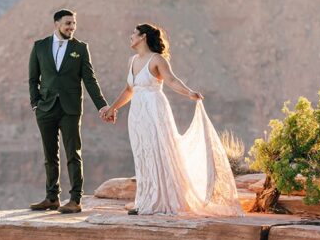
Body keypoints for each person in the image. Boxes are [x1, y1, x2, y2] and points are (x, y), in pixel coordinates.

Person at [103, 23, 243, 216]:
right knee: (143, 153)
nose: (130, 37)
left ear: (143, 37)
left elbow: (171, 80)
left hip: (155, 110)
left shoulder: (157, 59)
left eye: (133, 34)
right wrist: (112, 108)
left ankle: (162, 200)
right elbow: (129, 90)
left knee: (159, 150)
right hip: (137, 114)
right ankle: (144, 200)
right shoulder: (132, 60)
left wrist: (190, 93)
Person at [27, 9, 112, 213]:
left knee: (73, 153)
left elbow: (89, 79)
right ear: (56, 23)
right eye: (68, 23)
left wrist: (102, 105)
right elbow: (33, 78)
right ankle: (51, 197)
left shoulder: (80, 48)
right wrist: (35, 104)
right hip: (46, 108)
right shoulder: (40, 46)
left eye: (74, 24)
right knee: (50, 154)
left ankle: (75, 199)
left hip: (70, 109)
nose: (71, 27)